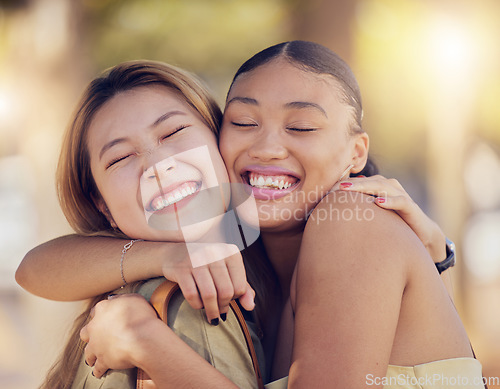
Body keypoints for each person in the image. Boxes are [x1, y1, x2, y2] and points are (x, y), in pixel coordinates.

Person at [16, 42, 476, 388]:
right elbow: (35, 268)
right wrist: (163, 256)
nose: (268, 146)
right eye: (243, 123)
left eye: (301, 126)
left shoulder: (350, 216)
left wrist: (146, 342)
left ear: (356, 153)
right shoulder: (237, 271)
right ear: (220, 141)